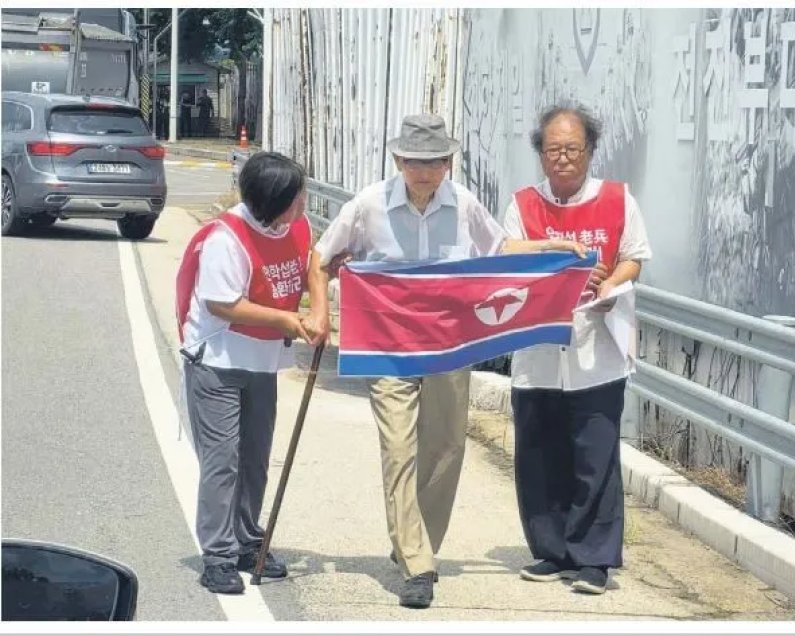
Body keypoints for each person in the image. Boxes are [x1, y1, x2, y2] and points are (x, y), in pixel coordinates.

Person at [308, 113, 589, 609]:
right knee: (399, 448)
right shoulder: (369, 205)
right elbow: (322, 257)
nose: (423, 171)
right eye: (414, 161)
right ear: (398, 160)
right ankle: (417, 563)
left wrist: (552, 247)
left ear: (448, 163)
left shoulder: (462, 205)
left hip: (448, 344)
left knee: (444, 448)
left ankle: (419, 545)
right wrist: (320, 312)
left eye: (434, 162)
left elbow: (501, 250)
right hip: (388, 345)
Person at [501, 103, 652, 595]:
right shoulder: (522, 204)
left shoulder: (617, 199)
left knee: (595, 456)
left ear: (589, 151)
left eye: (573, 149)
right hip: (538, 350)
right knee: (539, 453)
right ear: (540, 155)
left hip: (597, 350)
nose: (563, 159)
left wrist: (610, 284)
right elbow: (503, 256)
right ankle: (552, 550)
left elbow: (634, 259)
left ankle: (594, 559)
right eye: (553, 150)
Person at [176, 152, 322, 594]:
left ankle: (246, 539)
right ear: (269, 200)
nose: (302, 206)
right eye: (295, 199)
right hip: (217, 361)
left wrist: (319, 309)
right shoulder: (227, 237)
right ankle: (218, 554)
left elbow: (314, 261)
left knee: (254, 458)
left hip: (260, 361)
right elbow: (223, 303)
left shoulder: (295, 225)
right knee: (223, 461)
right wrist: (289, 321)